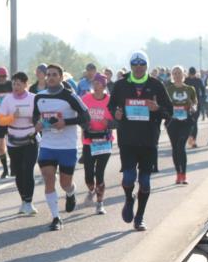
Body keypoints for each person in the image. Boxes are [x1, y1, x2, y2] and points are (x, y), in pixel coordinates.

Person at [109, 51, 174, 231]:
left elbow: (169, 111)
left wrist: (157, 108)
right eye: (135, 64)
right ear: (131, 66)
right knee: (129, 177)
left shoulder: (156, 85)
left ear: (147, 65)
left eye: (142, 64)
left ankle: (140, 217)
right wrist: (117, 114)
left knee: (145, 182)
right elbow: (111, 106)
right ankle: (129, 198)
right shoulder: (121, 85)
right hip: (127, 139)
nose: (138, 67)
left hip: (148, 140)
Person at [33, 64, 90, 231]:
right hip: (47, 145)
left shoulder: (70, 96)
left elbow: (85, 117)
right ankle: (56, 217)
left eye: (54, 74)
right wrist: (37, 124)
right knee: (48, 178)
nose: (50, 77)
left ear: (61, 77)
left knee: (65, 183)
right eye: (48, 74)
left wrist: (66, 122)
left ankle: (70, 193)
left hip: (67, 146)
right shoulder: (39, 97)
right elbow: (34, 117)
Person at [0, 72, 39, 216]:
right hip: (14, 139)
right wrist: (11, 117)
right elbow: (0, 120)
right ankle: (23, 201)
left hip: (30, 137)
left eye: (19, 84)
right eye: (14, 83)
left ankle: (29, 202)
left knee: (28, 169)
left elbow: (40, 116)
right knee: (18, 172)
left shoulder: (33, 98)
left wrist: (32, 118)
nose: (15, 86)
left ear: (26, 84)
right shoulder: (8, 99)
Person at [80, 74, 115, 214]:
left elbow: (118, 121)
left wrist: (110, 123)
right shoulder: (85, 99)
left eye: (98, 83)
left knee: (99, 173)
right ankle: (91, 189)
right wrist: (85, 125)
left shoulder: (110, 100)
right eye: (93, 82)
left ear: (104, 85)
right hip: (89, 141)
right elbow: (79, 117)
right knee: (89, 175)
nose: (95, 85)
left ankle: (100, 203)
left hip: (105, 141)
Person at [165, 66, 197, 185]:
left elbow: (195, 103)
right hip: (172, 122)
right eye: (175, 73)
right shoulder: (168, 89)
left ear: (183, 74)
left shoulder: (190, 89)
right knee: (175, 147)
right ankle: (178, 174)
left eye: (179, 73)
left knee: (181, 146)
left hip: (186, 121)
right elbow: (164, 104)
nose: (177, 75)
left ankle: (184, 174)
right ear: (172, 75)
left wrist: (193, 107)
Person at [184, 66, 205, 148]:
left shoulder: (198, 80)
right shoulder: (185, 80)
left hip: (196, 104)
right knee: (188, 123)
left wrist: (201, 101)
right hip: (186, 104)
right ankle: (189, 139)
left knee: (194, 122)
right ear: (189, 73)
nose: (192, 76)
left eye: (193, 74)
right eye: (191, 74)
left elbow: (203, 91)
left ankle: (193, 141)